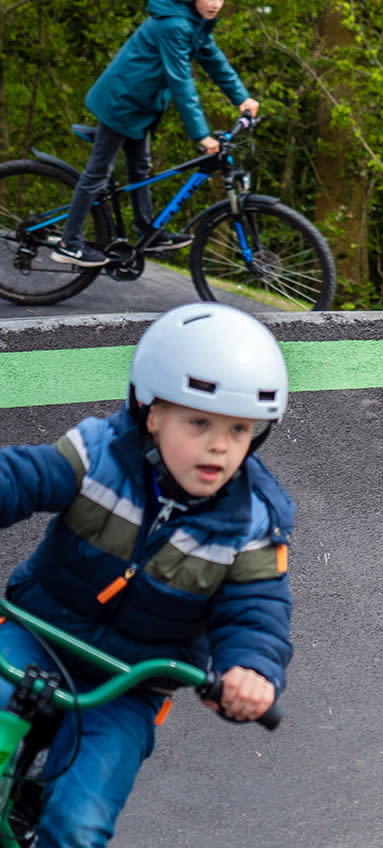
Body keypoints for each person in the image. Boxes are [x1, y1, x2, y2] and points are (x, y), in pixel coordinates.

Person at [0, 303, 294, 846]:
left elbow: (258, 612)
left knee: (79, 822)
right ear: (150, 412)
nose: (220, 444)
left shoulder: (253, 523)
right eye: (199, 421)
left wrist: (250, 669)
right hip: (38, 633)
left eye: (240, 429)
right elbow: (19, 479)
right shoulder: (97, 456)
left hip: (128, 681)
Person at [54, 0, 260, 268]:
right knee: (97, 173)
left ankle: (148, 229)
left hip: (142, 106)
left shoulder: (193, 22)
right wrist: (201, 135)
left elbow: (213, 59)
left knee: (141, 169)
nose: (217, 4)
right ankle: (69, 243)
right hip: (121, 103)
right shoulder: (174, 25)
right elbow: (181, 81)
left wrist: (241, 98)